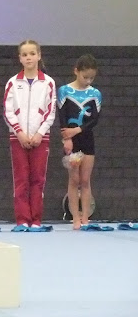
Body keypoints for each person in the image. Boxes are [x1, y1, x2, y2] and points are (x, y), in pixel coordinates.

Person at [3, 40, 56, 230]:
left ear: (39, 56)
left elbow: (50, 111)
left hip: (41, 138)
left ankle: (36, 220)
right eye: (24, 55)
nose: (29, 58)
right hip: (18, 139)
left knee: (37, 180)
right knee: (21, 179)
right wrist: (19, 132)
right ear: (19, 58)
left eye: (32, 54)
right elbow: (8, 111)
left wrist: (40, 133)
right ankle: (22, 220)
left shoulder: (48, 82)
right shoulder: (12, 82)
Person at [58, 54, 102, 230]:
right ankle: (75, 217)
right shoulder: (65, 91)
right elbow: (62, 119)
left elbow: (94, 120)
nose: (88, 81)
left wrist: (76, 130)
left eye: (92, 78)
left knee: (85, 180)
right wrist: (66, 139)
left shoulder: (95, 94)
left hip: (87, 139)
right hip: (71, 141)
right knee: (74, 179)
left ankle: (85, 217)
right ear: (76, 71)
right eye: (85, 77)